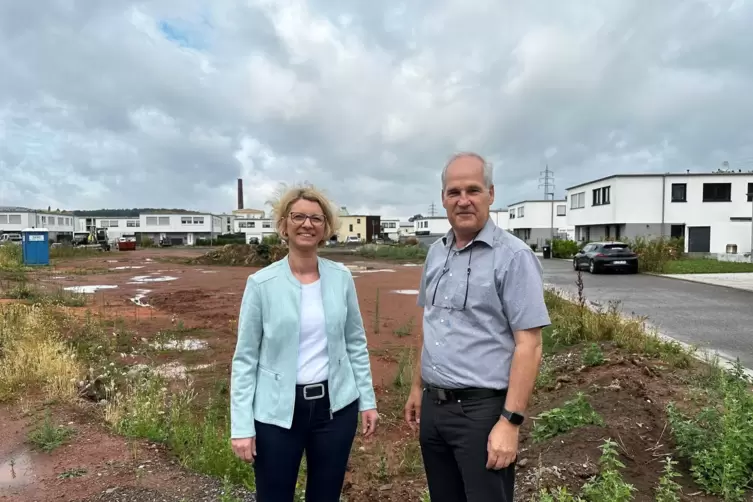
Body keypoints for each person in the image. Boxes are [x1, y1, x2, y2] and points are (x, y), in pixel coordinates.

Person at [404, 153, 551, 502]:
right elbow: (431, 325)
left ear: (491, 193)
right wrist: (416, 387)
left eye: (473, 189)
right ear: (443, 198)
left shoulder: (513, 256)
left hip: (481, 414)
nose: (463, 200)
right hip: (434, 409)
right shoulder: (436, 254)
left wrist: (510, 422)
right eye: (454, 192)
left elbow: (529, 344)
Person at [230, 183, 379, 502]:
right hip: (276, 413)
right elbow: (245, 359)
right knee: (273, 496)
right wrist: (242, 424)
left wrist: (367, 400)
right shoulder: (261, 284)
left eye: (316, 218)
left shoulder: (341, 278)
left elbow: (355, 343)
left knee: (326, 496)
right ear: (283, 224)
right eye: (298, 216)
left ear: (326, 227)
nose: (307, 224)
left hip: (335, 409)